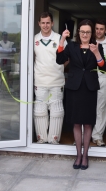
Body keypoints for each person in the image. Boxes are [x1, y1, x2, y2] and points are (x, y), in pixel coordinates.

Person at [56, 19, 106, 170]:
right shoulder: (71, 46)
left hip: (89, 89)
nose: (85, 34)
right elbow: (59, 60)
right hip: (74, 88)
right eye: (82, 31)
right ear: (78, 33)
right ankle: (78, 154)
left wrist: (96, 52)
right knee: (77, 122)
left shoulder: (97, 46)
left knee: (88, 122)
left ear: (92, 33)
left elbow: (103, 69)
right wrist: (62, 39)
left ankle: (85, 156)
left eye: (88, 32)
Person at [33, 11, 66, 144]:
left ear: (52, 23)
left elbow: (66, 59)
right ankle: (41, 138)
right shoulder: (34, 39)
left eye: (48, 23)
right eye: (43, 23)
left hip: (57, 81)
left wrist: (57, 68)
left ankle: (54, 139)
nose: (45, 25)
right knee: (40, 110)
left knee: (56, 111)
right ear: (39, 24)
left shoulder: (59, 38)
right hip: (40, 81)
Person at [91, 19, 106, 146]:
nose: (98, 31)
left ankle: (97, 136)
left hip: (104, 79)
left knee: (102, 109)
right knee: (87, 108)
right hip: (89, 79)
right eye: (97, 28)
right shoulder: (88, 41)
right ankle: (83, 135)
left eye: (101, 29)